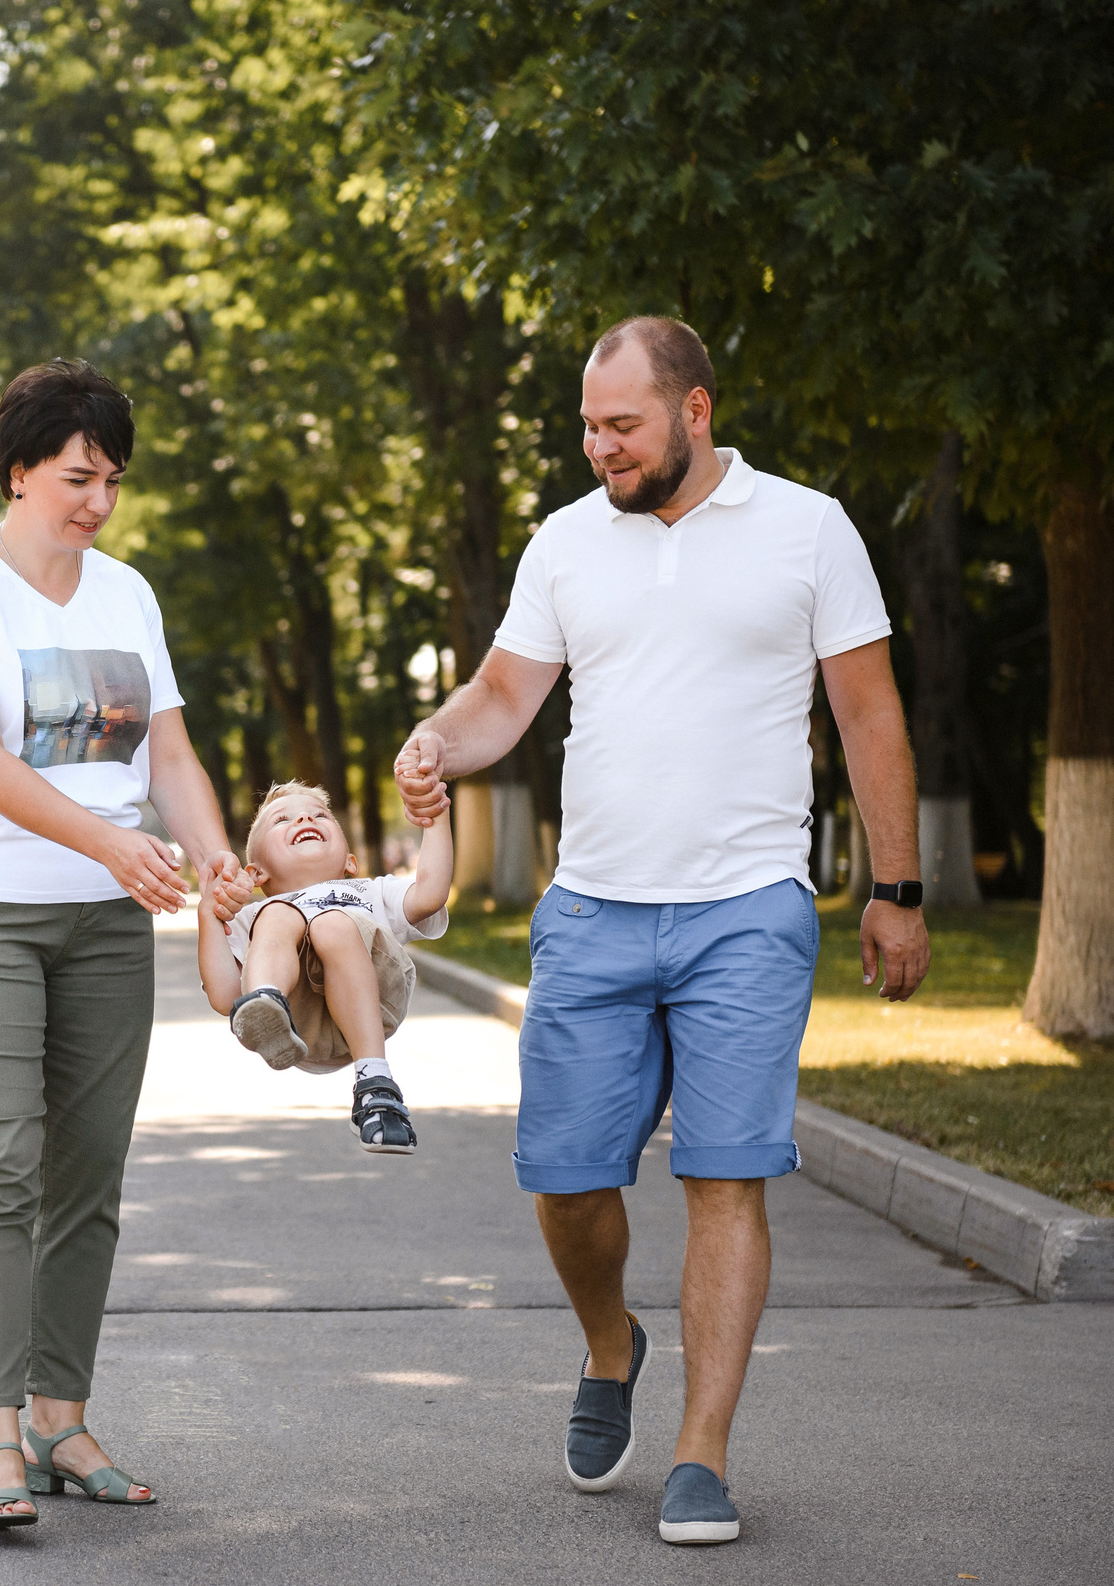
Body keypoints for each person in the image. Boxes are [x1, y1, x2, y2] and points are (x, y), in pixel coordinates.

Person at [394, 316, 931, 1547]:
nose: (599, 449)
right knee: (568, 1179)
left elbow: (867, 711)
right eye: (587, 426)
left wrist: (895, 888)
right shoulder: (568, 541)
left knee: (721, 1175)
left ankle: (701, 1452)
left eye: (620, 425)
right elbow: (502, 695)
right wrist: (436, 742)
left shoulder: (807, 526)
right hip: (591, 907)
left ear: (694, 410)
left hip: (748, 906)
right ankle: (607, 1341)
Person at [0, 357, 243, 1533]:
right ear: (18, 470)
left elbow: (171, 758)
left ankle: (61, 1415)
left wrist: (213, 860)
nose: (95, 501)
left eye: (110, 481)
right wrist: (110, 841)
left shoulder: (127, 595)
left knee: (86, 1174)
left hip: (107, 919)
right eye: (75, 475)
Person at [196, 780, 453, 1154]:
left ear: (350, 861)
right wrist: (209, 913)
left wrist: (436, 817)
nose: (303, 817)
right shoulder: (253, 916)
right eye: (282, 820)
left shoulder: (371, 891)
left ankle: (375, 1084)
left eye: (319, 815)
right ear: (256, 874)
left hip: (373, 1003)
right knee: (278, 914)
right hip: (303, 1023)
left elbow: (430, 895)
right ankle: (266, 1005)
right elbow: (223, 996)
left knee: (331, 922)